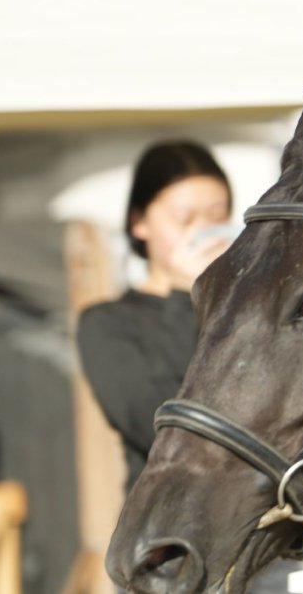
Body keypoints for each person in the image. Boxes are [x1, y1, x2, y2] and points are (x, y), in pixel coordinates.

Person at [77, 141, 234, 489]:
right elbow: (163, 424)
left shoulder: (244, 310)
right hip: (165, 524)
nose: (203, 231)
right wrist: (185, 293)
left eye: (217, 216)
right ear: (139, 223)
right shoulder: (106, 323)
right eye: (184, 219)